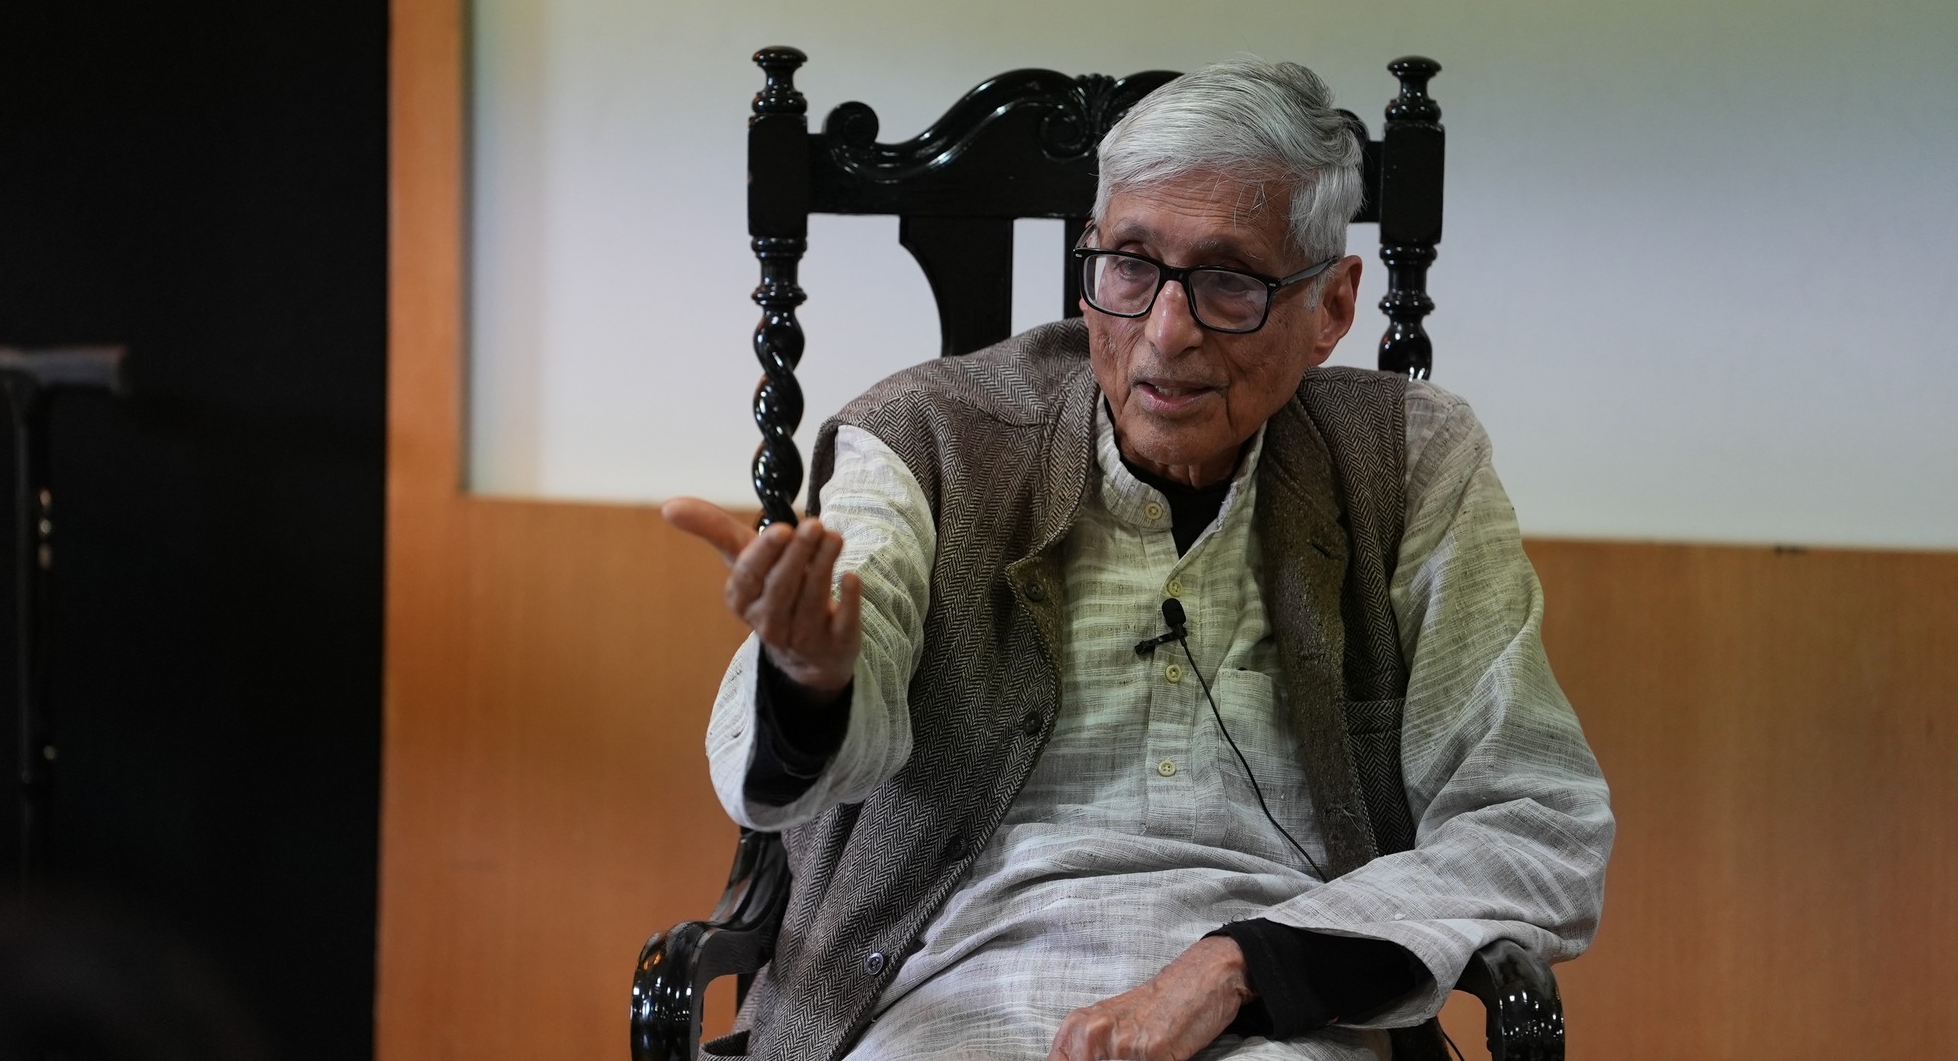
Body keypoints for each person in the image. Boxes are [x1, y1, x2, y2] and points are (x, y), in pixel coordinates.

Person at [665, 56, 1613, 1061]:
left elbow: (1532, 821)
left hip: (1284, 1015)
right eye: (1128, 265)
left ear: (1330, 308)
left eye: (1228, 281)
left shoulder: (1410, 463)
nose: (1165, 332)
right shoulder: (923, 438)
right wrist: (815, 677)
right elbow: (805, 735)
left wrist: (1239, 967)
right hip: (946, 992)